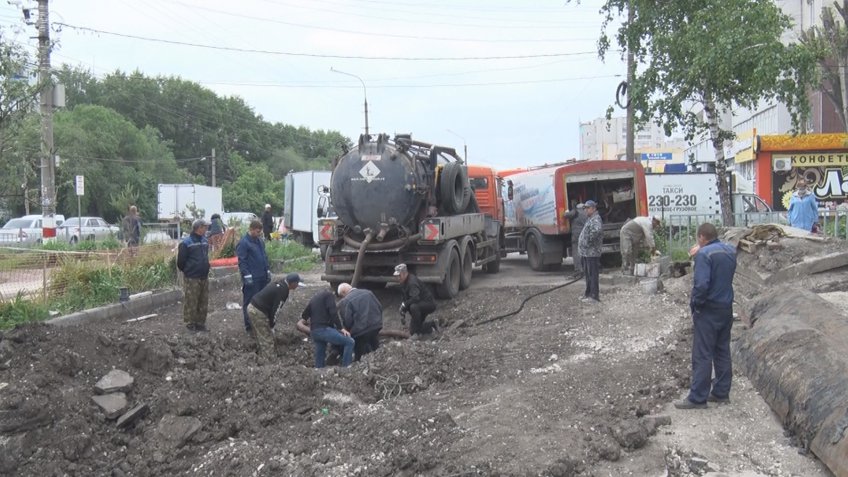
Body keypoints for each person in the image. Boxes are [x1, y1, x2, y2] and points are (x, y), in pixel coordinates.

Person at [675, 222, 737, 410]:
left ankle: (697, 398)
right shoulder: (729, 251)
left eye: (698, 238)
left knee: (702, 354)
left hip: (708, 309)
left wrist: (696, 304)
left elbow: (701, 285)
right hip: (726, 307)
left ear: (702, 237)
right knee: (722, 351)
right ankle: (721, 392)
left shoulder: (704, 254)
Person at [246, 273, 302, 363]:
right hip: (258, 311)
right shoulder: (283, 291)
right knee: (267, 339)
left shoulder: (280, 283)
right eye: (297, 283)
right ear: (292, 283)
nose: (298, 285)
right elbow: (276, 310)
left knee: (261, 336)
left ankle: (261, 357)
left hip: (253, 307)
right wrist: (272, 325)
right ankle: (270, 363)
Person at [302, 287, 354, 368]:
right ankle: (346, 367)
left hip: (314, 331)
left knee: (321, 350)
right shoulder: (329, 295)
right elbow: (333, 313)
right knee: (349, 342)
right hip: (323, 329)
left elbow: (304, 315)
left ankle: (318, 371)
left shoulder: (314, 298)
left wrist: (315, 320)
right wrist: (341, 328)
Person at [237, 220, 271, 333]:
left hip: (262, 277)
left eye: (260, 232)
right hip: (252, 278)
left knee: (261, 302)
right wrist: (246, 275)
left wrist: (267, 270)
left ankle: (259, 324)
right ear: (251, 229)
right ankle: (249, 327)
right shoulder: (244, 243)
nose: (259, 234)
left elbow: (264, 256)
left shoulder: (260, 241)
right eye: (257, 232)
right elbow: (242, 261)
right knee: (249, 302)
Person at [177, 219, 211, 332]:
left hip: (204, 276)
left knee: (203, 300)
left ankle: (200, 323)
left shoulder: (205, 241)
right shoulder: (186, 243)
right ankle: (190, 324)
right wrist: (188, 271)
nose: (206, 229)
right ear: (199, 228)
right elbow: (181, 262)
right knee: (191, 301)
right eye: (204, 227)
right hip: (192, 277)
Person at [337, 283, 383, 361]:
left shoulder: (346, 300)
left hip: (360, 331)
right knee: (375, 345)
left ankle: (359, 363)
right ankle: (380, 361)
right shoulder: (368, 292)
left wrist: (348, 330)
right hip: (376, 325)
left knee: (359, 351)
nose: (342, 298)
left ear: (344, 292)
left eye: (342, 295)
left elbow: (347, 320)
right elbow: (379, 307)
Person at [395, 263, 439, 336]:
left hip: (428, 304)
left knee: (413, 307)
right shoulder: (404, 283)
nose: (397, 278)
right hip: (421, 305)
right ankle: (432, 325)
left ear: (404, 273)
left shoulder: (412, 282)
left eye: (399, 276)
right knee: (413, 329)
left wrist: (404, 305)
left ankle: (421, 330)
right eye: (396, 276)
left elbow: (415, 298)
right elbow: (406, 298)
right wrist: (403, 310)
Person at [578, 200, 603, 303]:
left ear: (593, 208)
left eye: (588, 208)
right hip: (587, 253)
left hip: (592, 253)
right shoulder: (590, 219)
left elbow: (596, 231)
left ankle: (594, 296)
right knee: (588, 274)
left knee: (593, 275)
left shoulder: (596, 219)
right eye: (585, 208)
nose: (586, 210)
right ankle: (588, 294)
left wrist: (587, 243)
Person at [563, 202, 588, 274]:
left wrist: (567, 211)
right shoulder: (586, 213)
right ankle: (586, 267)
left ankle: (578, 269)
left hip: (576, 235)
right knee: (585, 251)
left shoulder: (575, 212)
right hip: (585, 234)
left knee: (576, 252)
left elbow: (565, 215)